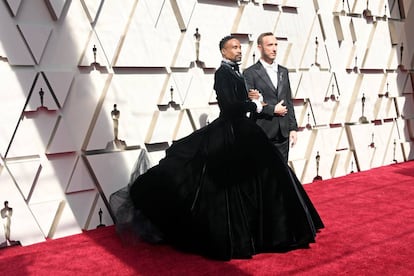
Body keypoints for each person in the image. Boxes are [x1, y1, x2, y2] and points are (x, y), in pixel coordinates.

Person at [115, 35, 323, 261]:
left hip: (242, 130)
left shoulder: (235, 72)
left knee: (263, 179)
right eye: (233, 48)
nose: (238, 50)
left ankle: (265, 231)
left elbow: (240, 102)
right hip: (230, 131)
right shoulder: (222, 73)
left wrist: (254, 100)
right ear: (223, 52)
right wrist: (251, 104)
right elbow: (229, 106)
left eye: (239, 47)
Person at [243, 32, 298, 163]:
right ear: (260, 47)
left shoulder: (283, 71)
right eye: (269, 45)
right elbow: (251, 102)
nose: (274, 48)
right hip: (263, 131)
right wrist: (273, 109)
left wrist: (293, 128)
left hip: (283, 133)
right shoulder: (250, 73)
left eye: (275, 45)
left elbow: (288, 100)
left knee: (282, 174)